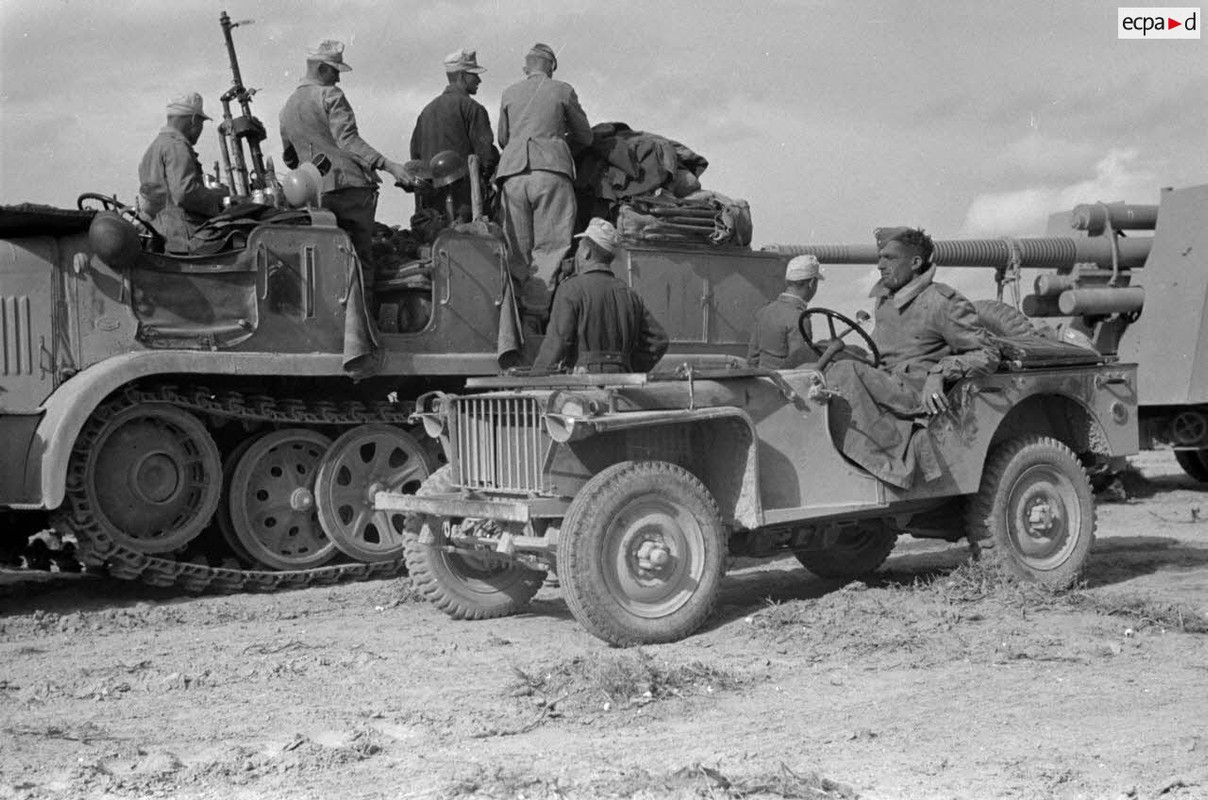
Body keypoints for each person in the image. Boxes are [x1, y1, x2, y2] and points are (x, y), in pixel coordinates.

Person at [827, 227, 1000, 488]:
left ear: (916, 262)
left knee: (843, 371)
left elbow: (987, 353)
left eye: (890, 258)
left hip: (916, 392)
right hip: (888, 383)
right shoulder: (887, 298)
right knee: (821, 364)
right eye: (880, 257)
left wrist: (940, 372)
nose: (880, 265)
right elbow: (885, 351)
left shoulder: (942, 301)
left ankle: (888, 467)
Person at [279, 40, 415, 304]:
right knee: (360, 258)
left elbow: (289, 157)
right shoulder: (330, 96)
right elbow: (348, 141)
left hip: (314, 197)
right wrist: (390, 166)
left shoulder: (287, 107)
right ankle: (362, 330)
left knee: (327, 262)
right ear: (321, 69)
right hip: (350, 189)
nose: (338, 78)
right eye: (335, 71)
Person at [495, 43, 593, 328]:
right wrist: (557, 144)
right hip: (551, 172)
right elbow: (585, 137)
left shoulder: (508, 93)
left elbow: (503, 139)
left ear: (527, 67)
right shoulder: (563, 90)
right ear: (551, 67)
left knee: (516, 250)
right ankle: (534, 317)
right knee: (549, 248)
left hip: (513, 176)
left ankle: (510, 322)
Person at [531, 218, 668, 375]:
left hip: (582, 383)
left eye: (579, 247)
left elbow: (557, 342)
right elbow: (659, 340)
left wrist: (535, 379)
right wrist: (629, 368)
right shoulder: (629, 294)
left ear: (586, 252)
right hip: (622, 382)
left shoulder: (571, 289)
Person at [410, 48, 499, 222]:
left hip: (432, 204)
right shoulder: (473, 108)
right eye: (474, 74)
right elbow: (486, 156)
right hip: (465, 202)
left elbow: (415, 157)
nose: (479, 79)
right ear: (461, 76)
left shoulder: (426, 112)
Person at [137, 91, 229, 254]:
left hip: (158, 239)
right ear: (194, 120)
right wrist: (218, 200)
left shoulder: (151, 150)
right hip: (183, 241)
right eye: (201, 123)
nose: (200, 129)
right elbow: (184, 193)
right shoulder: (177, 146)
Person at [747, 254, 824, 368]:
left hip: (762, 381)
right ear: (812, 283)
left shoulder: (764, 311)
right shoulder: (800, 319)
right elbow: (799, 367)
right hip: (784, 383)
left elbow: (752, 359)